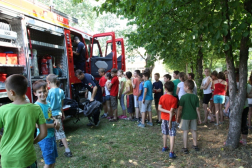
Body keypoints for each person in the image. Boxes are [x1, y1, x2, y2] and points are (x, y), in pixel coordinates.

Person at [0, 74, 47, 167]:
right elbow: (43, 133)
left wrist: (2, 141)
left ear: (12, 92)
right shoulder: (36, 108)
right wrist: (33, 141)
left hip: (8, 158)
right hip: (27, 157)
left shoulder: (2, 109)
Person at [33, 80, 60, 168]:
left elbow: (50, 116)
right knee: (48, 162)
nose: (43, 94)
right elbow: (37, 125)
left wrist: (55, 120)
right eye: (39, 92)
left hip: (51, 135)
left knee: (53, 160)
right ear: (35, 93)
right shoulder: (36, 106)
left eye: (44, 91)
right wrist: (53, 125)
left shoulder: (48, 103)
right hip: (44, 138)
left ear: (47, 90)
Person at [46, 74, 72, 157]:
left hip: (50, 115)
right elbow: (61, 104)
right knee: (60, 132)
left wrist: (48, 116)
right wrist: (63, 113)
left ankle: (48, 151)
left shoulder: (48, 92)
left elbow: (47, 105)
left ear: (49, 82)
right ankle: (67, 150)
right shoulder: (61, 91)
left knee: (49, 132)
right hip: (58, 114)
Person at [177, 80, 201, 154]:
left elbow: (180, 108)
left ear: (187, 87)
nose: (183, 87)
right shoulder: (196, 97)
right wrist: (199, 118)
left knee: (185, 131)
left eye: (184, 86)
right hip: (194, 116)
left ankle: (185, 147)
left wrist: (178, 117)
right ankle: (195, 145)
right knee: (194, 131)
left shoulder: (183, 97)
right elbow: (198, 109)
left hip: (185, 117)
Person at [158, 81, 178, 159]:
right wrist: (169, 112)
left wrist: (167, 111)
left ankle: (164, 146)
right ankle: (171, 152)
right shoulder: (174, 99)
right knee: (172, 134)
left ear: (165, 89)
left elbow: (159, 108)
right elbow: (172, 111)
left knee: (165, 133)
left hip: (164, 118)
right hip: (171, 120)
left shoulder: (162, 97)